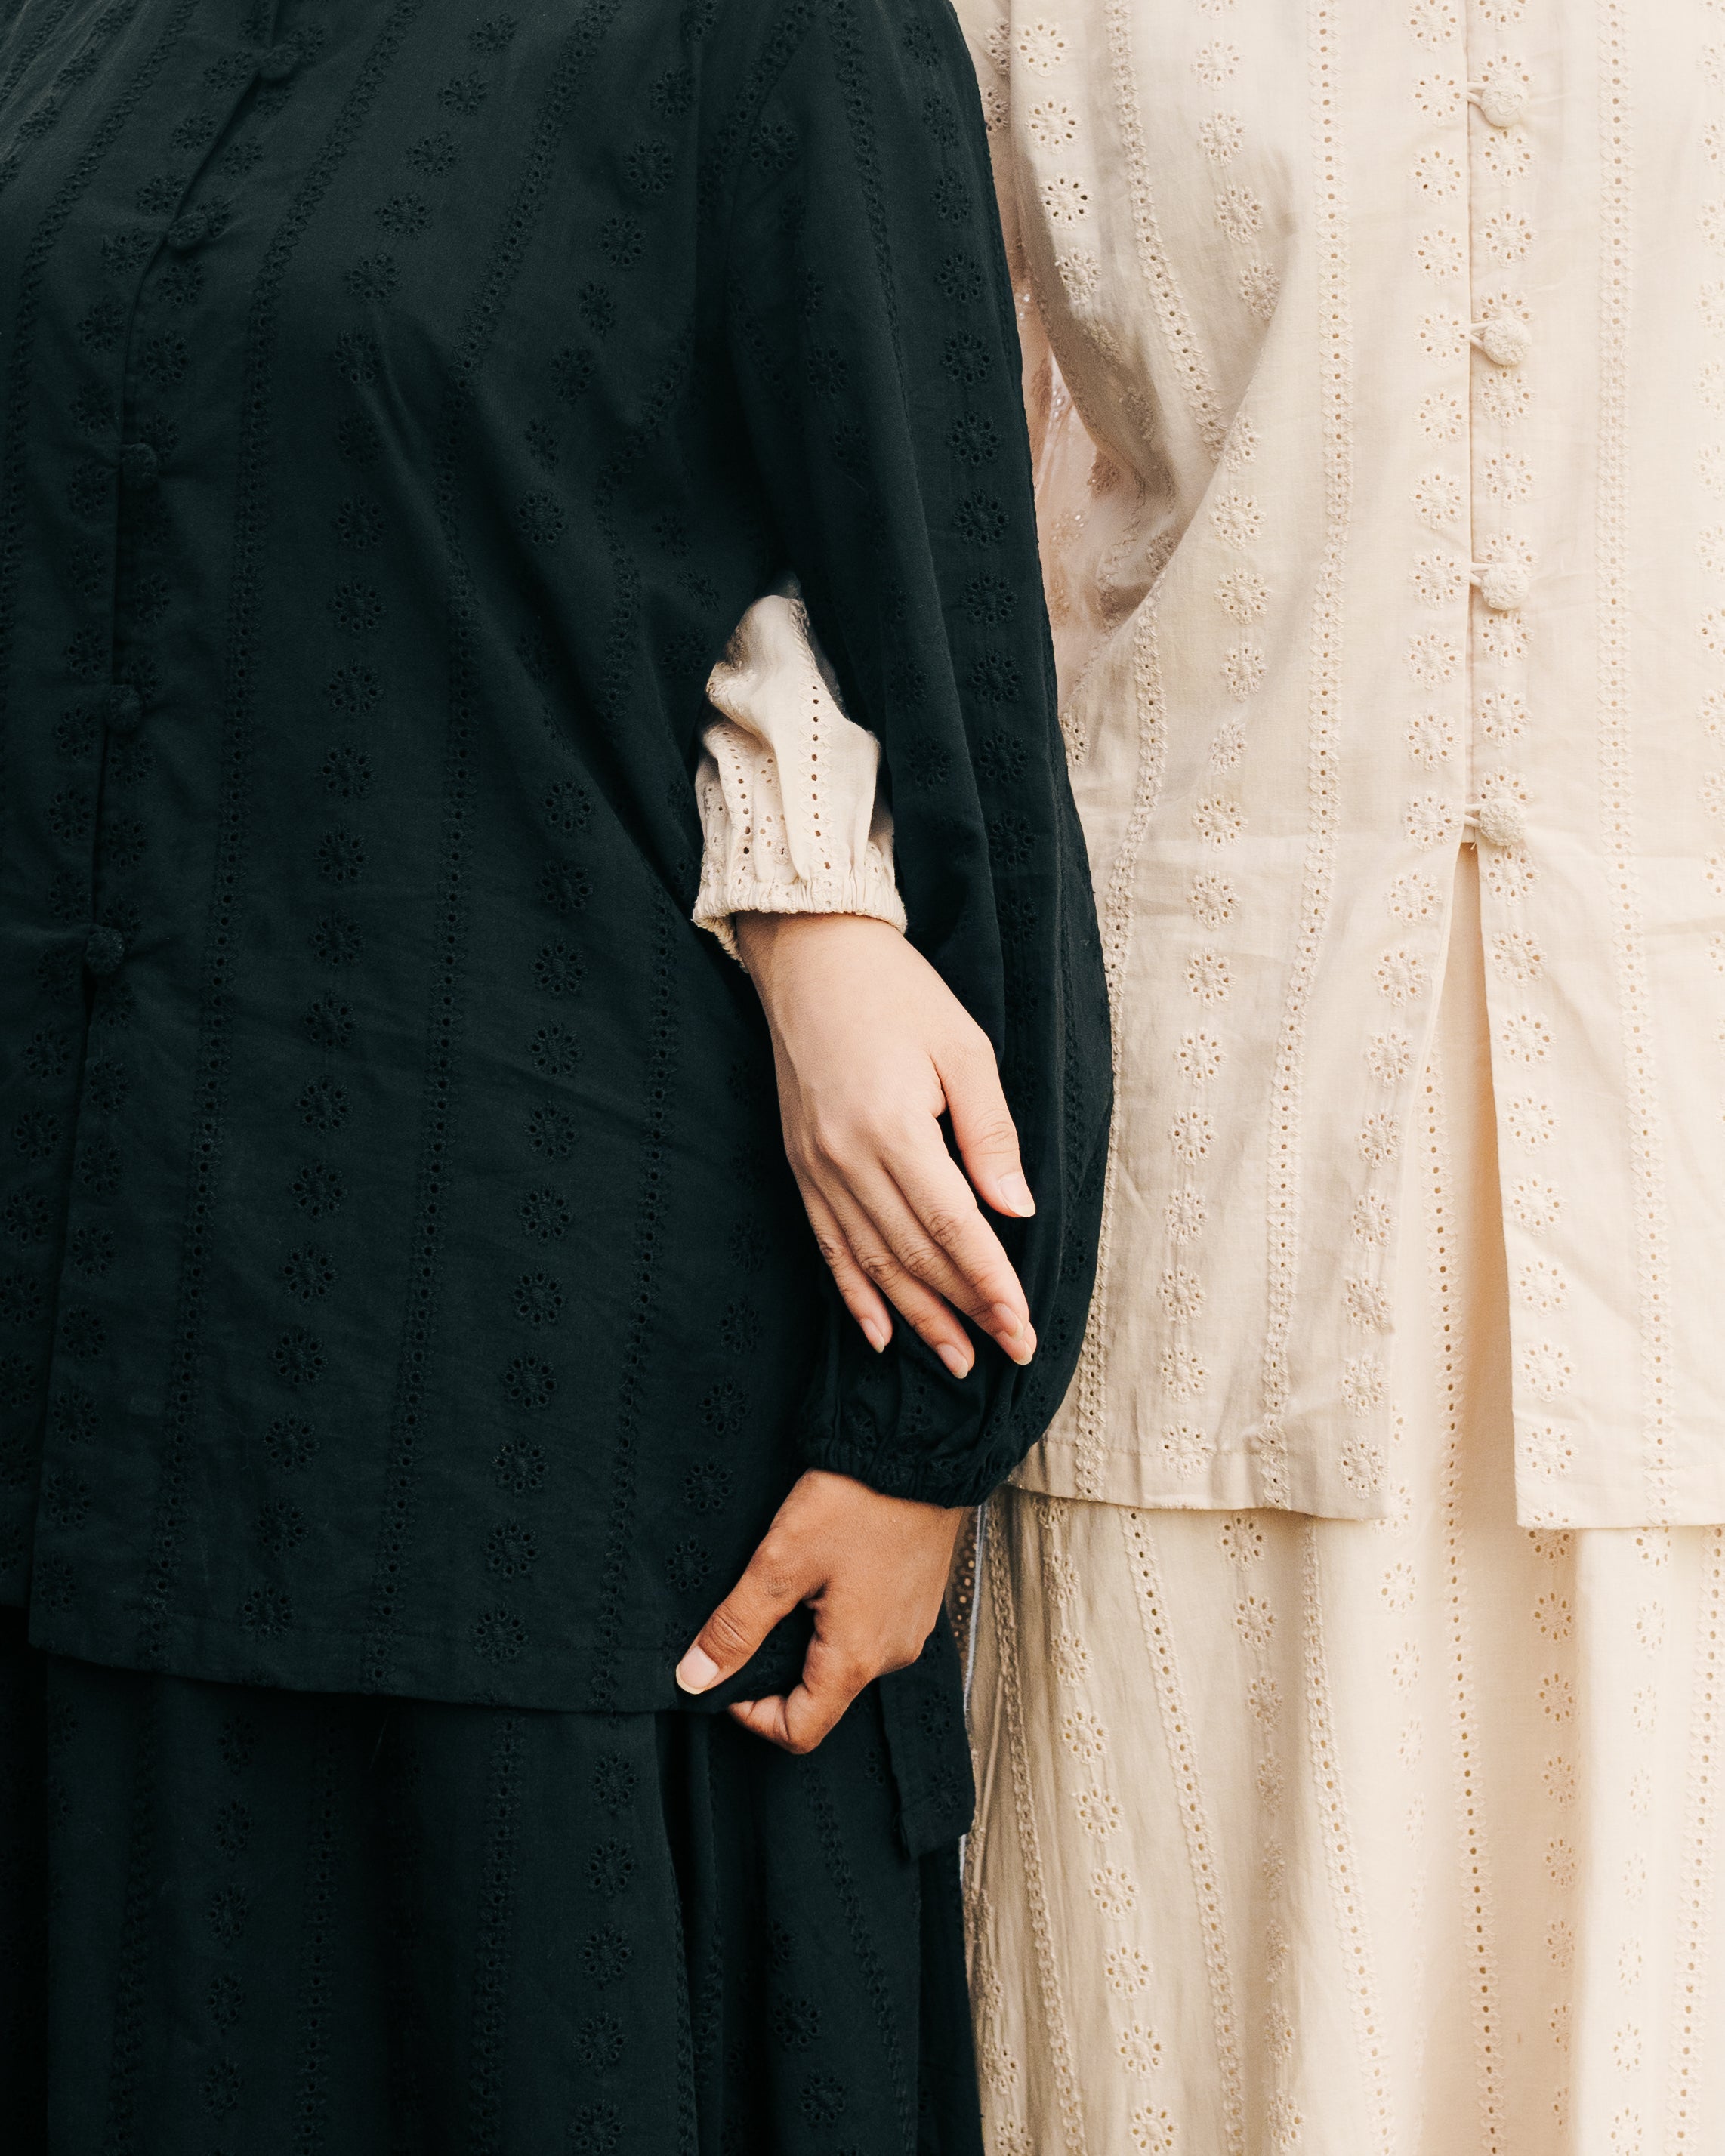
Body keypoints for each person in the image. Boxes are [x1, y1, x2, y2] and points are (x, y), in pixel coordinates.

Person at [0, 0, 1110, 2145]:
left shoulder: (772, 42)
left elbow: (949, 656)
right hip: (81, 1376)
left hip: (504, 1430)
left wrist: (925, 1438)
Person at [721, 1, 1725, 2148]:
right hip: (1188, 1180)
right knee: (1188, 2021)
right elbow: (819, 420)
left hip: (1676, 1181)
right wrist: (807, 904)